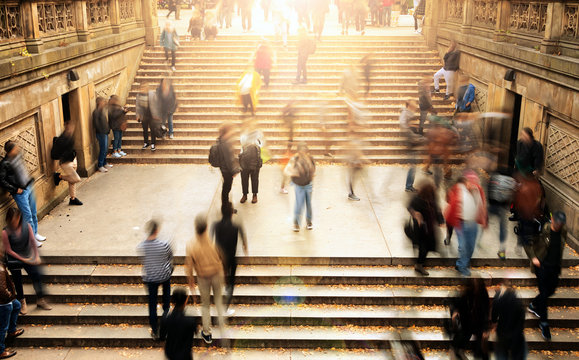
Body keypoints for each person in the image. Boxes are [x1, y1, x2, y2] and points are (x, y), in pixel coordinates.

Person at [525, 211, 566, 341]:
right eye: (557, 223)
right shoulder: (542, 228)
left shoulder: (563, 231)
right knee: (543, 294)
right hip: (541, 266)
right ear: (553, 220)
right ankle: (544, 324)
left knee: (551, 290)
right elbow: (527, 241)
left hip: (554, 268)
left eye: (561, 224)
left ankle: (533, 304)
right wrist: (533, 257)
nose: (559, 226)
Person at [185, 213, 226, 344]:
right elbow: (221, 256)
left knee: (205, 305)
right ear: (207, 227)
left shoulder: (191, 245)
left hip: (203, 277)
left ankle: (207, 333)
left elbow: (189, 267)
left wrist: (191, 284)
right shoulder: (212, 240)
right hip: (217, 273)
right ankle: (223, 328)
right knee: (219, 301)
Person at [2, 207, 51, 314]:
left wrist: (36, 256)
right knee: (17, 281)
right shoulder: (5, 232)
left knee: (36, 275)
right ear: (9, 219)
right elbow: (9, 250)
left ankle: (40, 299)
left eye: (18, 218)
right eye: (14, 219)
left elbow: (33, 241)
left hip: (27, 255)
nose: (16, 221)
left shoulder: (26, 226)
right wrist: (23, 259)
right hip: (14, 259)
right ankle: (22, 302)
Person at [0, 141, 46, 243]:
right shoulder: (4, 164)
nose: (18, 149)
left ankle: (35, 233)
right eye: (16, 148)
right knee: (27, 216)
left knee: (33, 213)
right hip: (20, 193)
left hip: (28, 187)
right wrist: (15, 190)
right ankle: (31, 239)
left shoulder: (18, 156)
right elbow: (2, 180)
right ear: (10, 151)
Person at [444, 171, 487, 276]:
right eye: (469, 181)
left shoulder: (477, 189)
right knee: (463, 245)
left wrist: (484, 218)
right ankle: (463, 266)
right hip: (460, 222)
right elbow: (450, 201)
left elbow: (482, 204)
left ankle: (461, 263)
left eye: (474, 181)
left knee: (471, 246)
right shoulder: (458, 189)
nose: (471, 183)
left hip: (472, 223)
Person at [136, 219, 173, 339]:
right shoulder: (164, 245)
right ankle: (166, 322)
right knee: (166, 301)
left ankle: (155, 330)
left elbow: (143, 260)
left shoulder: (141, 246)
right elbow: (169, 258)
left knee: (152, 304)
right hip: (164, 275)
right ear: (157, 230)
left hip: (150, 277)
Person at [212, 202, 248, 313]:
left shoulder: (216, 225)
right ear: (232, 212)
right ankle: (226, 306)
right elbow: (243, 239)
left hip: (219, 258)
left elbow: (210, 240)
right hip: (231, 257)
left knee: (221, 279)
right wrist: (245, 250)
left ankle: (219, 302)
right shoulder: (236, 226)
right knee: (231, 281)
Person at [449, 277, 490, 360]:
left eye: (477, 288)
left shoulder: (483, 294)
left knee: (479, 342)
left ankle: (476, 353)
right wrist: (455, 312)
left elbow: (486, 311)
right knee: (465, 334)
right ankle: (458, 350)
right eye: (474, 288)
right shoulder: (466, 294)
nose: (476, 290)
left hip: (478, 320)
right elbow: (456, 303)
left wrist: (486, 329)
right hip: (467, 319)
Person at [407, 182, 443, 275]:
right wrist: (415, 213)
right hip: (421, 228)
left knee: (426, 246)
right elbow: (409, 206)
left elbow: (437, 210)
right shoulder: (418, 199)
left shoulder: (432, 199)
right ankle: (419, 265)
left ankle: (420, 262)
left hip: (429, 228)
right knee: (424, 247)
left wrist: (440, 220)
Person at [160, 288, 199, 360]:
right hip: (185, 355)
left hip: (170, 353)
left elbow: (162, 337)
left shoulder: (166, 318)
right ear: (185, 301)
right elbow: (196, 332)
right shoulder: (190, 320)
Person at [491, 282, 527, 360]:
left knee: (501, 355)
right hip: (516, 334)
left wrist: (494, 323)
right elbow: (521, 319)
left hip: (502, 333)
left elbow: (494, 315)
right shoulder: (518, 302)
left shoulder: (498, 299)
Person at [284, 143, 316, 232]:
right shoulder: (295, 159)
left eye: (305, 151)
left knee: (308, 204)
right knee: (299, 204)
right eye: (301, 151)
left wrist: (311, 176)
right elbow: (287, 170)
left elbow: (314, 168)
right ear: (298, 151)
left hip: (308, 184)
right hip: (299, 186)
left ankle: (309, 222)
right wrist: (295, 173)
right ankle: (296, 224)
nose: (303, 153)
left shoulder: (310, 158)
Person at [52, 121, 83, 205]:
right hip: (66, 162)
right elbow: (56, 154)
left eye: (72, 126)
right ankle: (59, 176)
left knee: (72, 181)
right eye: (70, 126)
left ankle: (73, 198)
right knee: (76, 179)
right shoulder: (61, 139)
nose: (72, 128)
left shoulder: (70, 136)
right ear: (65, 126)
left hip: (73, 159)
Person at [488, 170, 516, 260]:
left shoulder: (495, 177)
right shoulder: (512, 181)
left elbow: (489, 190)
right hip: (503, 208)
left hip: (493, 205)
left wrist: (490, 202)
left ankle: (477, 241)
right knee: (503, 229)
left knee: (484, 220)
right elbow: (513, 195)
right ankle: (502, 251)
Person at [0, 260, 23, 359]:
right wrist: (9, 296)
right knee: (2, 327)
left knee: (17, 305)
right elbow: (1, 289)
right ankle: (0, 351)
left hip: (6, 299)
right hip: (3, 301)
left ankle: (12, 330)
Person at [399, 101, 421, 192]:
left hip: (412, 142)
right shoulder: (405, 113)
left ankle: (409, 185)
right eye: (414, 106)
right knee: (412, 166)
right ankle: (408, 186)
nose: (415, 107)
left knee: (413, 165)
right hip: (410, 142)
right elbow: (403, 125)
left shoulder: (409, 114)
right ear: (410, 106)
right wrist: (413, 136)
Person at [216, 124, 241, 207]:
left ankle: (225, 206)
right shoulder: (225, 143)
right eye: (230, 130)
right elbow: (228, 160)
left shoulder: (221, 140)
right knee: (226, 189)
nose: (232, 132)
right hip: (227, 170)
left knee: (226, 188)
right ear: (226, 132)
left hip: (224, 169)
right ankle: (225, 207)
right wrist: (234, 171)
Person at [239, 124, 263, 204]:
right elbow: (243, 144)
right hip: (244, 160)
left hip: (255, 160)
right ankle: (244, 195)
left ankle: (255, 195)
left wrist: (256, 139)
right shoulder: (243, 136)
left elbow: (261, 145)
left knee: (255, 179)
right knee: (244, 179)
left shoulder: (258, 136)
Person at [136, 84, 162, 152]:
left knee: (152, 130)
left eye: (144, 87)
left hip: (151, 115)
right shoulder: (139, 95)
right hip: (143, 116)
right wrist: (137, 115)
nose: (143, 89)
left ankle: (153, 144)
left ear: (147, 88)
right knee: (145, 130)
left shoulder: (152, 94)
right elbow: (137, 106)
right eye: (142, 88)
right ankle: (146, 142)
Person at [92, 96, 111, 173]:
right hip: (101, 133)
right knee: (103, 149)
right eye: (103, 101)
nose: (104, 103)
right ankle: (100, 165)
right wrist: (102, 131)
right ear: (99, 102)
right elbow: (96, 124)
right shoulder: (96, 112)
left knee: (105, 149)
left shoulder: (101, 110)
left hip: (105, 132)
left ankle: (104, 163)